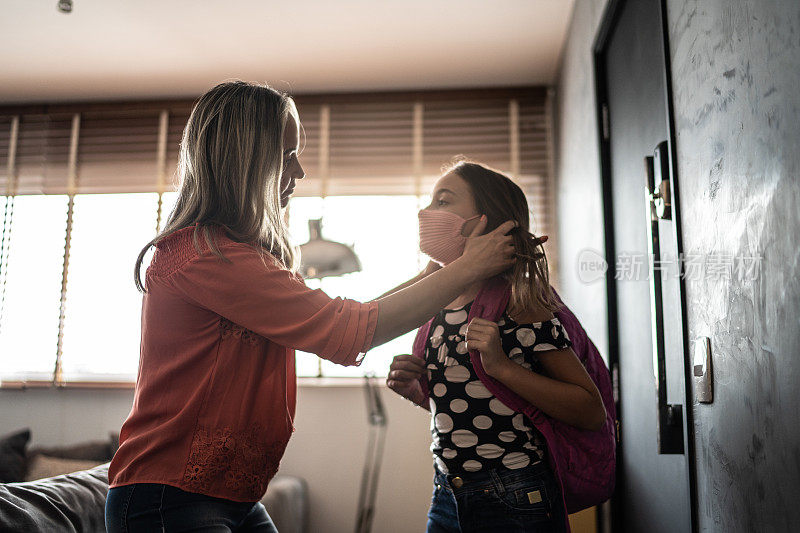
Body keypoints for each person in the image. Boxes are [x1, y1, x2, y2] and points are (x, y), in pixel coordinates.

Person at [104, 82, 517, 533]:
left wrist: (432, 274)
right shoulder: (207, 257)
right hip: (170, 496)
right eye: (286, 155)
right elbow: (349, 329)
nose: (299, 171)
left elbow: (341, 321)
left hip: (229, 495)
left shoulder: (240, 257)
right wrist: (465, 269)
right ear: (246, 161)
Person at [386, 160, 607, 533]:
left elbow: (589, 411)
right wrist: (416, 390)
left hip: (516, 497)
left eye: (443, 201)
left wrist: (503, 366)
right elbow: (476, 405)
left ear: (484, 220)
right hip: (447, 495)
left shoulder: (522, 302)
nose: (427, 211)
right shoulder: (437, 303)